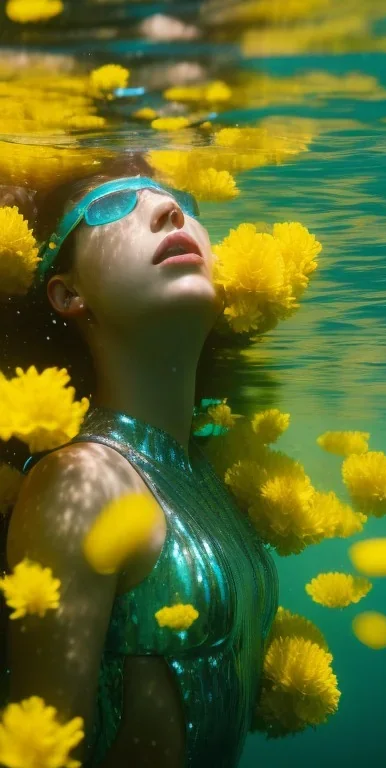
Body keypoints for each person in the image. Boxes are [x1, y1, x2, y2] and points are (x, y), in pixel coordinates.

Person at [0, 155, 279, 767]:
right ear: (66, 292)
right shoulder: (80, 481)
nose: (167, 209)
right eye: (112, 205)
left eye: (180, 199)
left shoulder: (209, 474)